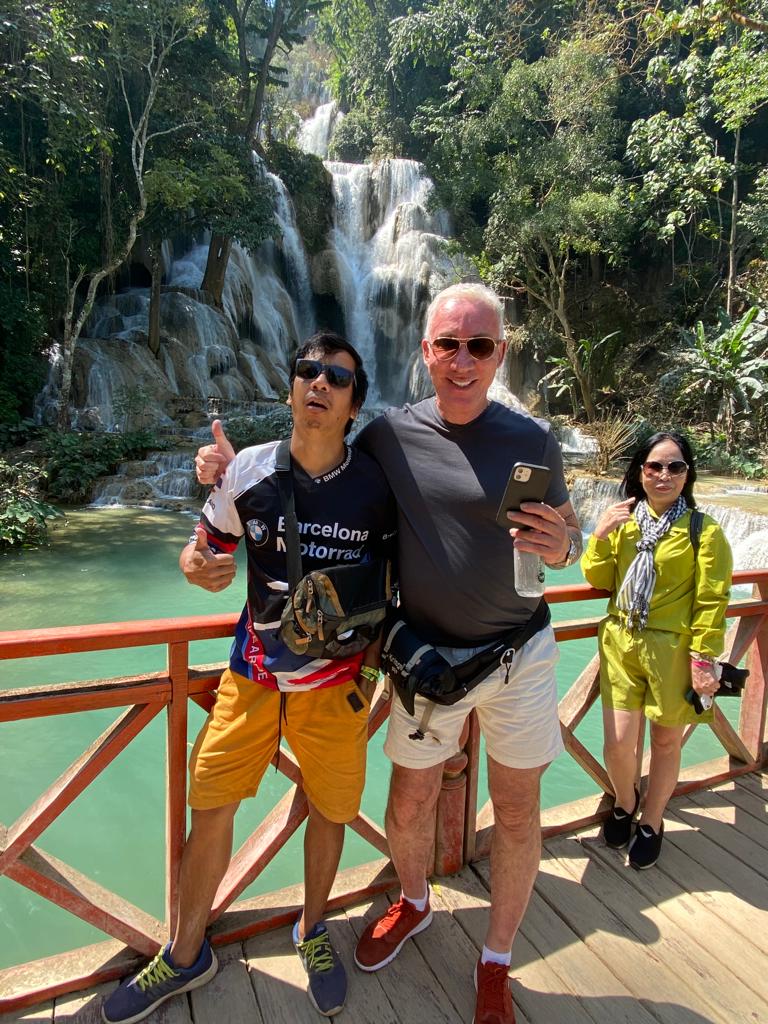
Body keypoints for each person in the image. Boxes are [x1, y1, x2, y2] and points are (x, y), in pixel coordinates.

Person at [195, 284, 581, 1024]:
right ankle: (413, 901)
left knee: (520, 807)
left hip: (520, 653)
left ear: (500, 354)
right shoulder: (389, 437)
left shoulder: (531, 441)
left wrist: (570, 547)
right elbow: (310, 460)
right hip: (426, 659)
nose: (461, 360)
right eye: (447, 345)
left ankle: (496, 958)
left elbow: (562, 536)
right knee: (407, 803)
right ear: (425, 352)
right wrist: (222, 473)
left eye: (479, 346)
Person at [102, 332, 395, 1024]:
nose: (319, 384)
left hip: (338, 684)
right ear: (290, 387)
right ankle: (185, 952)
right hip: (254, 675)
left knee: (331, 810)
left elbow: (399, 578)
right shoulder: (248, 473)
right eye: (307, 372)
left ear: (355, 404)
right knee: (211, 804)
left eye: (337, 378)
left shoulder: (378, 489)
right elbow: (205, 552)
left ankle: (313, 928)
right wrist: (193, 567)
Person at [581, 431, 732, 869]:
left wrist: (704, 661)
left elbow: (712, 599)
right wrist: (602, 534)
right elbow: (600, 578)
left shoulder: (703, 530)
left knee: (665, 743)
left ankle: (651, 820)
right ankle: (626, 802)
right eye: (654, 466)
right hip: (621, 643)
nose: (663, 474)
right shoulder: (625, 521)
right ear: (640, 472)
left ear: (687, 475)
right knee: (617, 744)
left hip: (673, 650)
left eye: (675, 467)